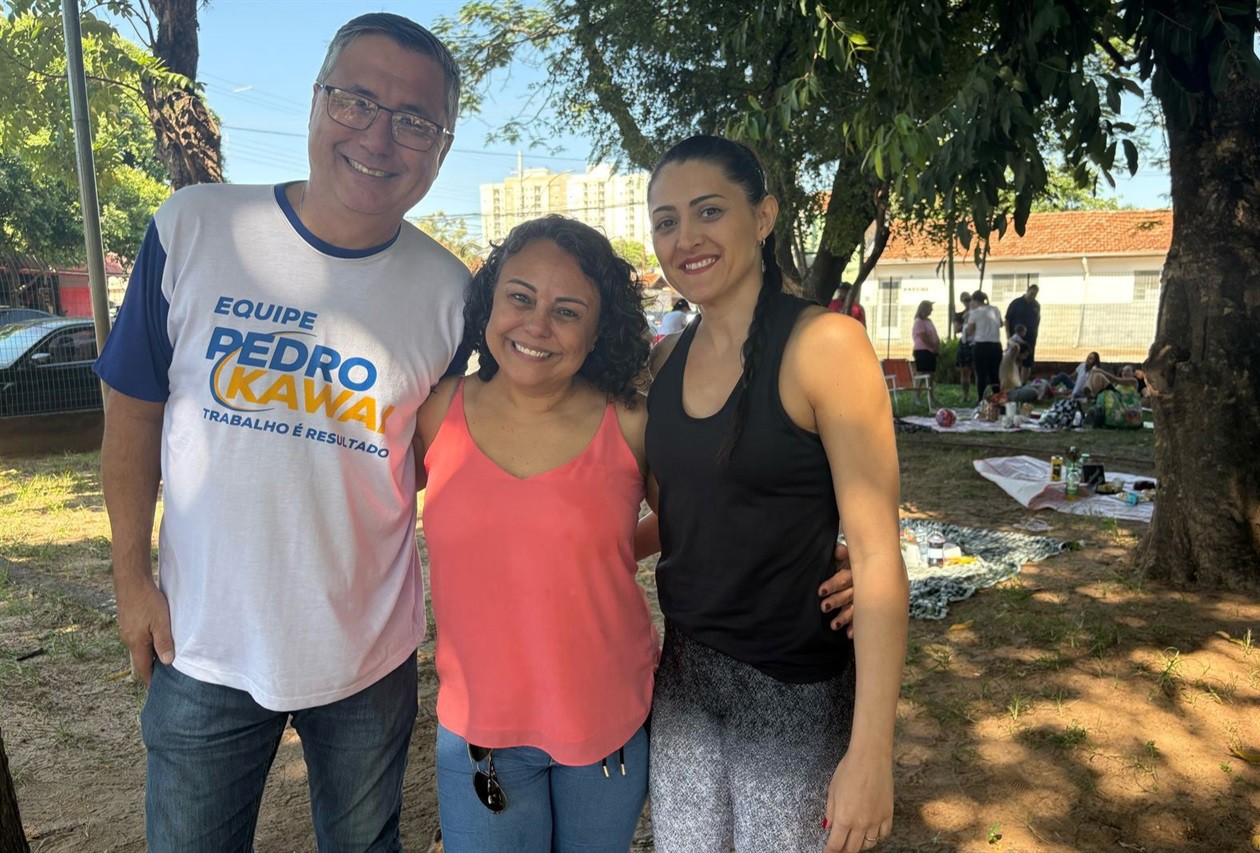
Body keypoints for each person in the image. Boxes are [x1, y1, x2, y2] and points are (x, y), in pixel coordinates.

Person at [94, 14, 468, 849]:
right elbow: (132, 415)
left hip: (367, 655)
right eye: (356, 100)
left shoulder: (450, 293)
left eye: (415, 120)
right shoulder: (193, 227)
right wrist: (130, 580)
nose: (378, 136)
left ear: (441, 148)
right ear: (316, 100)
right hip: (202, 641)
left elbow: (449, 465)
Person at [643, 135, 907, 853]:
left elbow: (878, 554)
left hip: (794, 691)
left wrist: (871, 753)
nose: (686, 238)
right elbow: (682, 514)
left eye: (708, 211)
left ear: (763, 216)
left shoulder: (826, 346)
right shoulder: (664, 362)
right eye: (666, 221)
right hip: (685, 685)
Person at [418, 217, 656, 851]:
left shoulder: (631, 421)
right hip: (480, 730)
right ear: (489, 300)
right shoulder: (436, 410)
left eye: (567, 311)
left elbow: (699, 522)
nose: (537, 325)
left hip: (607, 722)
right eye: (519, 297)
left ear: (600, 330)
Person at [965, 290, 1003, 401]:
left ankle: (981, 400)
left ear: (974, 301)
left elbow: (970, 330)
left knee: (981, 375)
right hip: (996, 345)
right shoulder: (995, 309)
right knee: (995, 374)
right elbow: (1001, 324)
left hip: (981, 346)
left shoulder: (974, 312)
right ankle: (997, 398)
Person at [1005, 283, 1040, 382]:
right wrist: (1008, 335)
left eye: (1035, 294)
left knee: (1027, 362)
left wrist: (1035, 334)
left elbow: (1038, 320)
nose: (1033, 296)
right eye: (1031, 293)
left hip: (1030, 339)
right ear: (1027, 291)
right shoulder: (1016, 303)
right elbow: (1007, 320)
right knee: (1014, 360)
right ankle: (1013, 381)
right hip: (1016, 338)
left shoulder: (1036, 305)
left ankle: (1022, 383)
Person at [911, 299, 940, 376]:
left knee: (931, 373)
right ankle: (917, 384)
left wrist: (937, 345)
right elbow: (923, 337)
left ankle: (930, 385)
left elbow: (935, 334)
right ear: (924, 309)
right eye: (930, 307)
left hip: (931, 351)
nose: (932, 309)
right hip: (922, 351)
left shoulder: (929, 321)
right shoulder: (918, 321)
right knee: (922, 372)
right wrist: (933, 346)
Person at [954, 291, 974, 401]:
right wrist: (965, 322)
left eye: (970, 299)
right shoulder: (959, 315)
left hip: (975, 342)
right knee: (964, 371)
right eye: (966, 300)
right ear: (962, 301)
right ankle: (965, 395)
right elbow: (956, 330)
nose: (968, 302)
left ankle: (978, 395)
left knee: (975, 370)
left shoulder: (976, 313)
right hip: (965, 343)